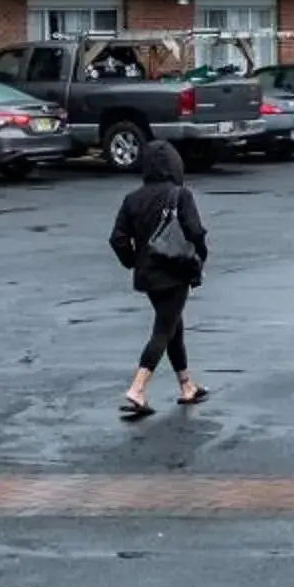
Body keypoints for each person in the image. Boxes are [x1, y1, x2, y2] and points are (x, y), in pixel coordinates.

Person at [107, 140, 210, 417]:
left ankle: (186, 385)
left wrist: (134, 261)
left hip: (148, 275)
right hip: (175, 273)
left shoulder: (132, 199)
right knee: (164, 330)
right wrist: (199, 258)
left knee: (173, 324)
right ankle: (138, 388)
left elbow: (117, 239)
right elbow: (196, 232)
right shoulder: (180, 195)